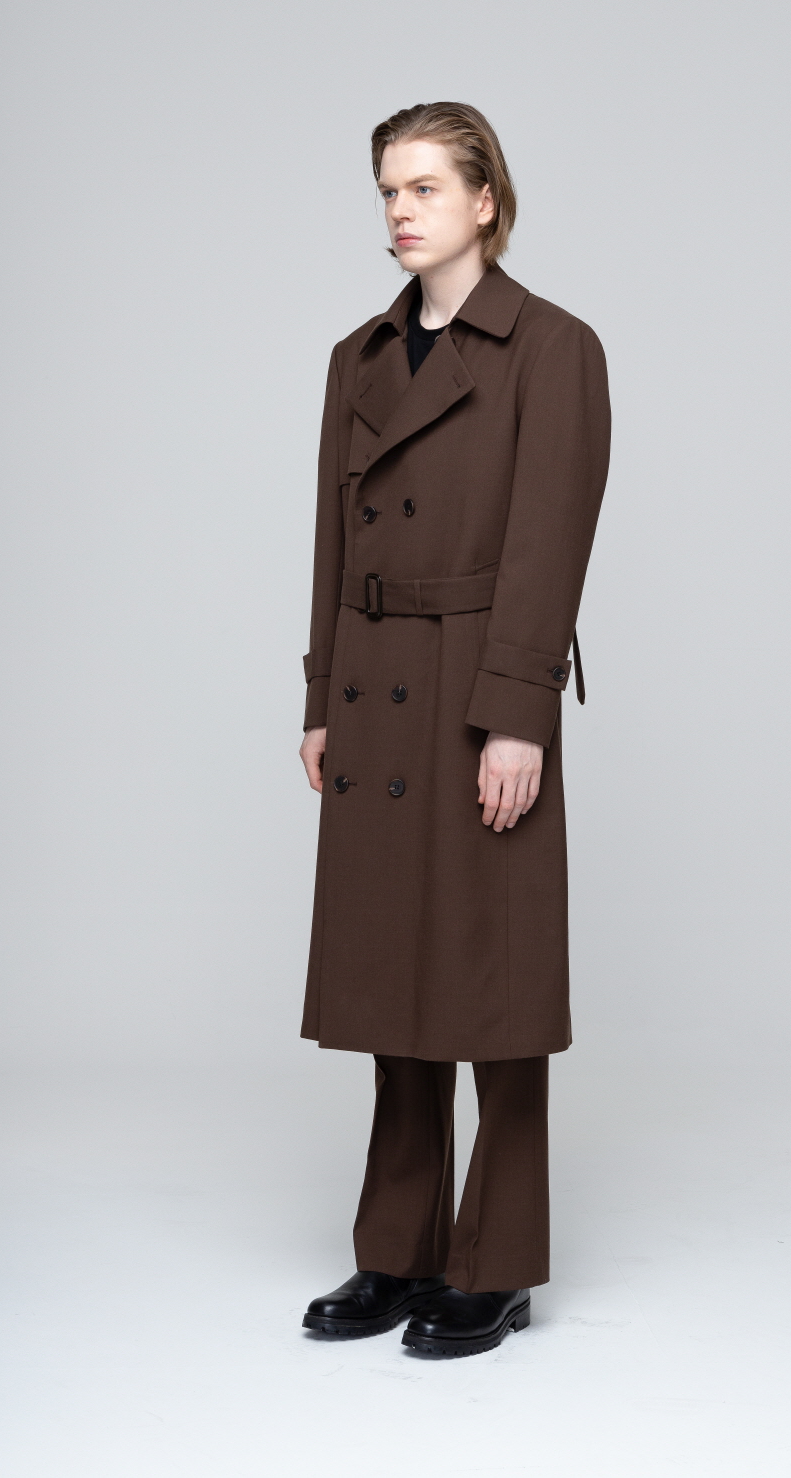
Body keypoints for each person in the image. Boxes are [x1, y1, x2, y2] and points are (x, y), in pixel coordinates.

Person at [298, 102, 610, 1357]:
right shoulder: (357, 357)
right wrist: (321, 696)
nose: (399, 211)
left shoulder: (552, 347)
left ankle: (497, 1261)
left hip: (481, 686)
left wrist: (518, 716)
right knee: (394, 982)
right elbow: (331, 540)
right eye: (388, 189)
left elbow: (550, 542)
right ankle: (396, 1249)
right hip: (376, 687)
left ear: (486, 200)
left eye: (424, 187)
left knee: (494, 985)